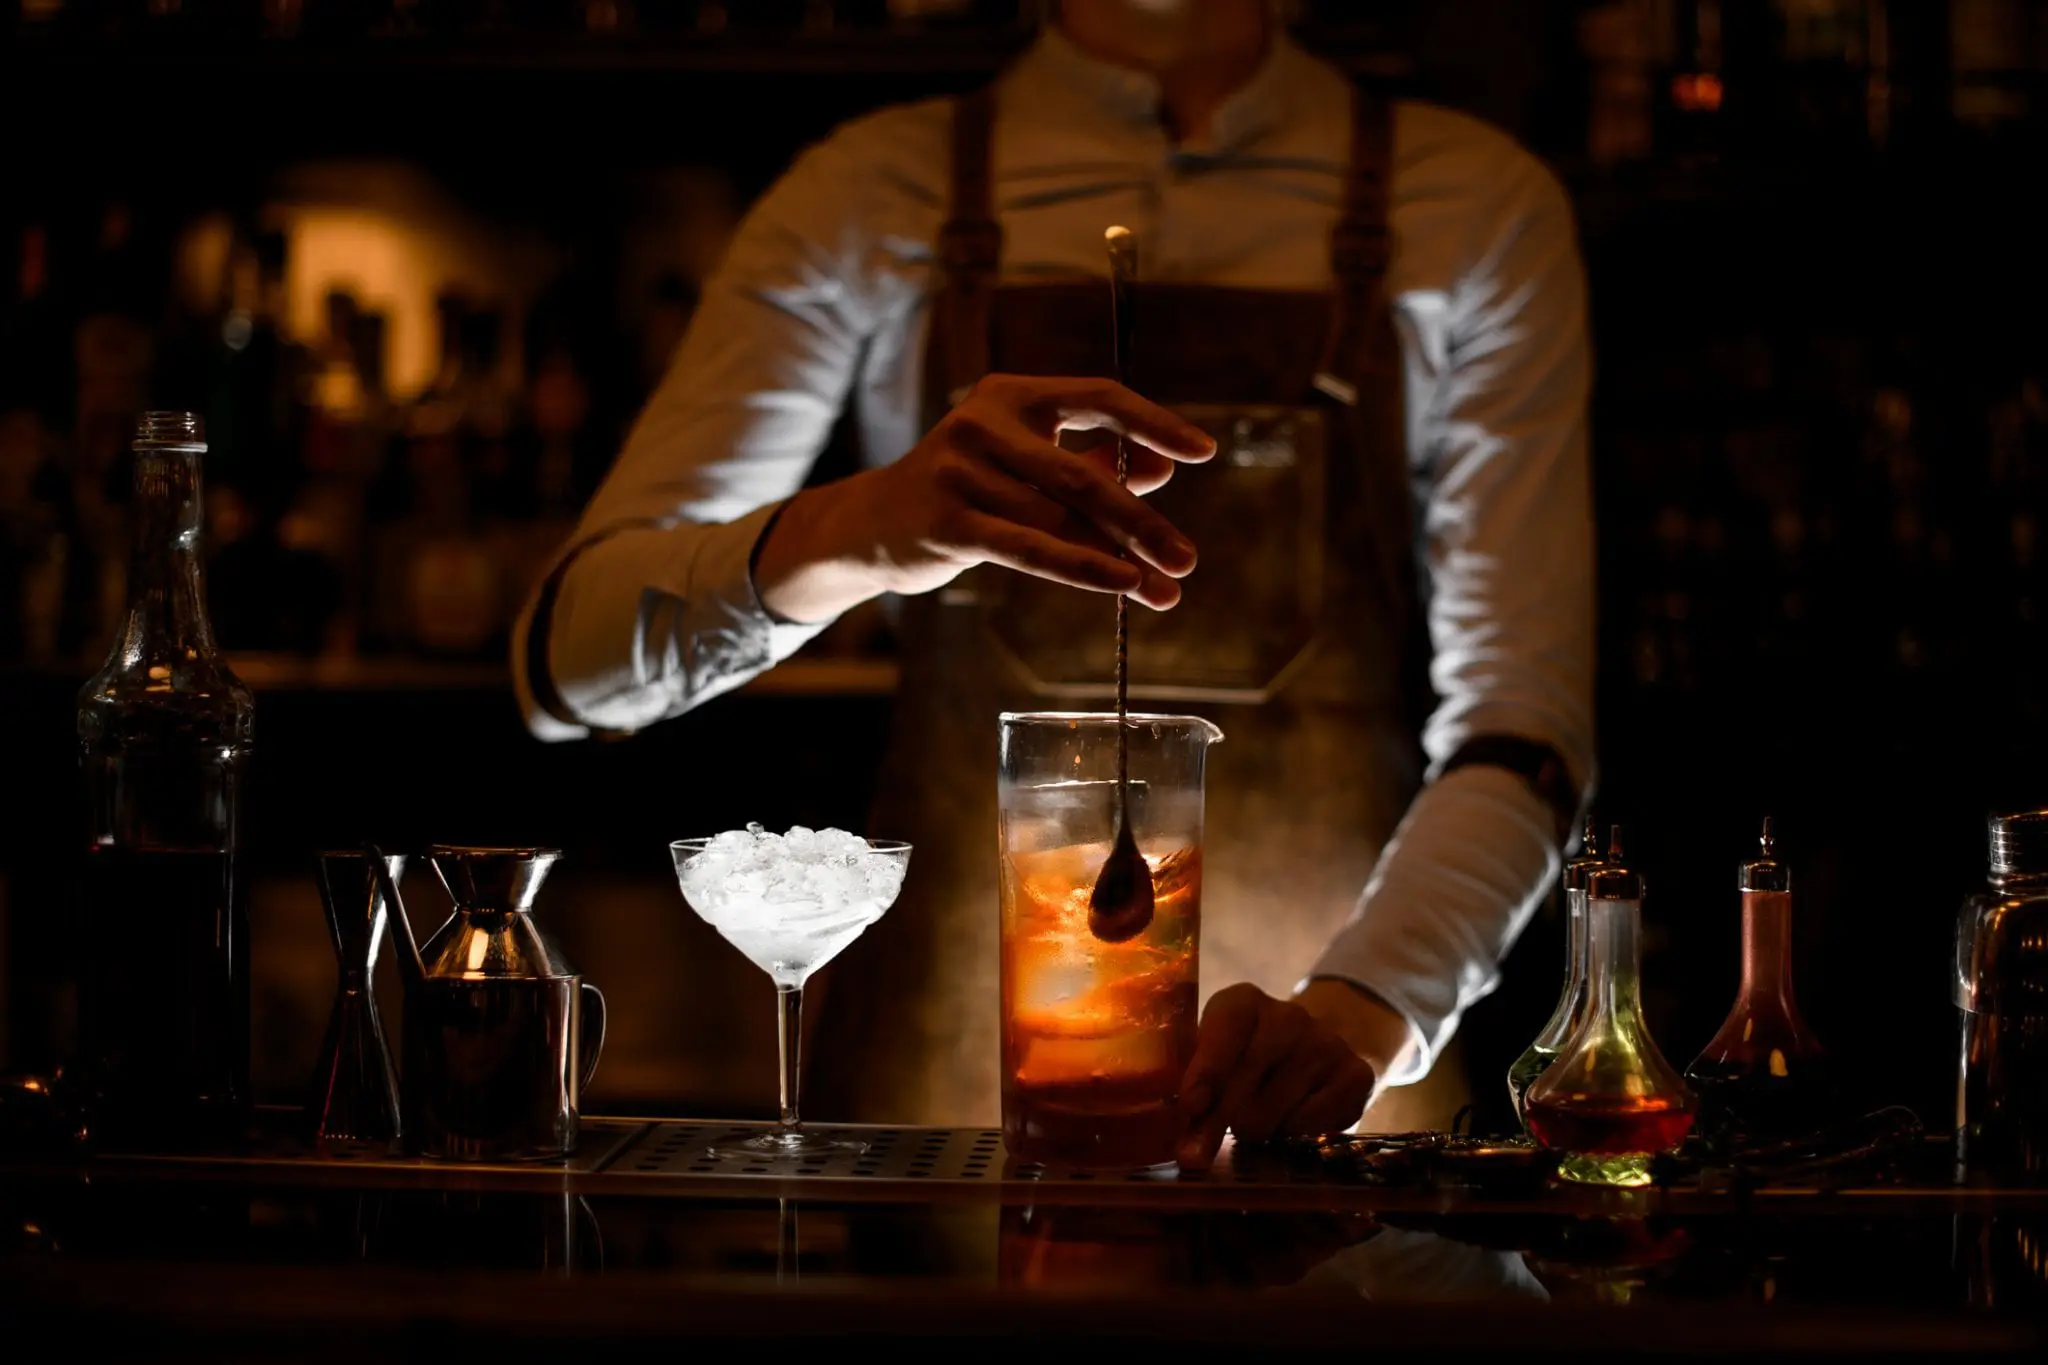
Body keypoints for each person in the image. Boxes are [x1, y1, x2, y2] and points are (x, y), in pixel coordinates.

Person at [515, 0, 1593, 1169]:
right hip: (937, 1138)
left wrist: (1364, 1007)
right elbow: (569, 667)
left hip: (1331, 1132)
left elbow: (1522, 726)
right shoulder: (871, 192)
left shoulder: (1475, 207)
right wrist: (862, 531)